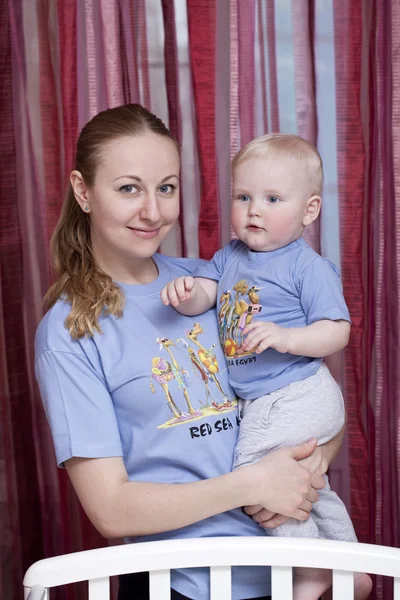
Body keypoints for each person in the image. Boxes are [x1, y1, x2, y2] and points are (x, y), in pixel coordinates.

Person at [35, 106, 343, 600]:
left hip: (286, 565)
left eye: (167, 187)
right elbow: (110, 509)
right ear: (83, 191)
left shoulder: (215, 280)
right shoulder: (71, 333)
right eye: (129, 188)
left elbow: (304, 393)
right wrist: (255, 485)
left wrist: (309, 465)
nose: (153, 211)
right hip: (179, 582)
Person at [161, 134, 372, 600]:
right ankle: (348, 560)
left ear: (309, 210)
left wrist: (288, 338)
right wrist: (187, 294)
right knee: (305, 486)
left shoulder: (307, 267)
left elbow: (338, 329)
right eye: (243, 197)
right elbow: (208, 294)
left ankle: (311, 570)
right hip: (267, 400)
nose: (254, 210)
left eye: (273, 199)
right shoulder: (230, 257)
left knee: (253, 472)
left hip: (298, 389)